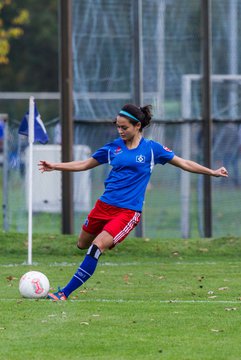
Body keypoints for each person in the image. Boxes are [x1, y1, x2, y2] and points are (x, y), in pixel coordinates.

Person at [38, 103, 228, 301]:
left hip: (127, 212)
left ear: (137, 126)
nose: (120, 131)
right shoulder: (113, 148)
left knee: (95, 247)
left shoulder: (152, 149)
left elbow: (184, 163)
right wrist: (55, 166)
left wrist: (211, 172)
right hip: (103, 206)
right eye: (118, 126)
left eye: (124, 127)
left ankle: (64, 293)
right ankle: (108, 237)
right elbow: (85, 164)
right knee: (81, 244)